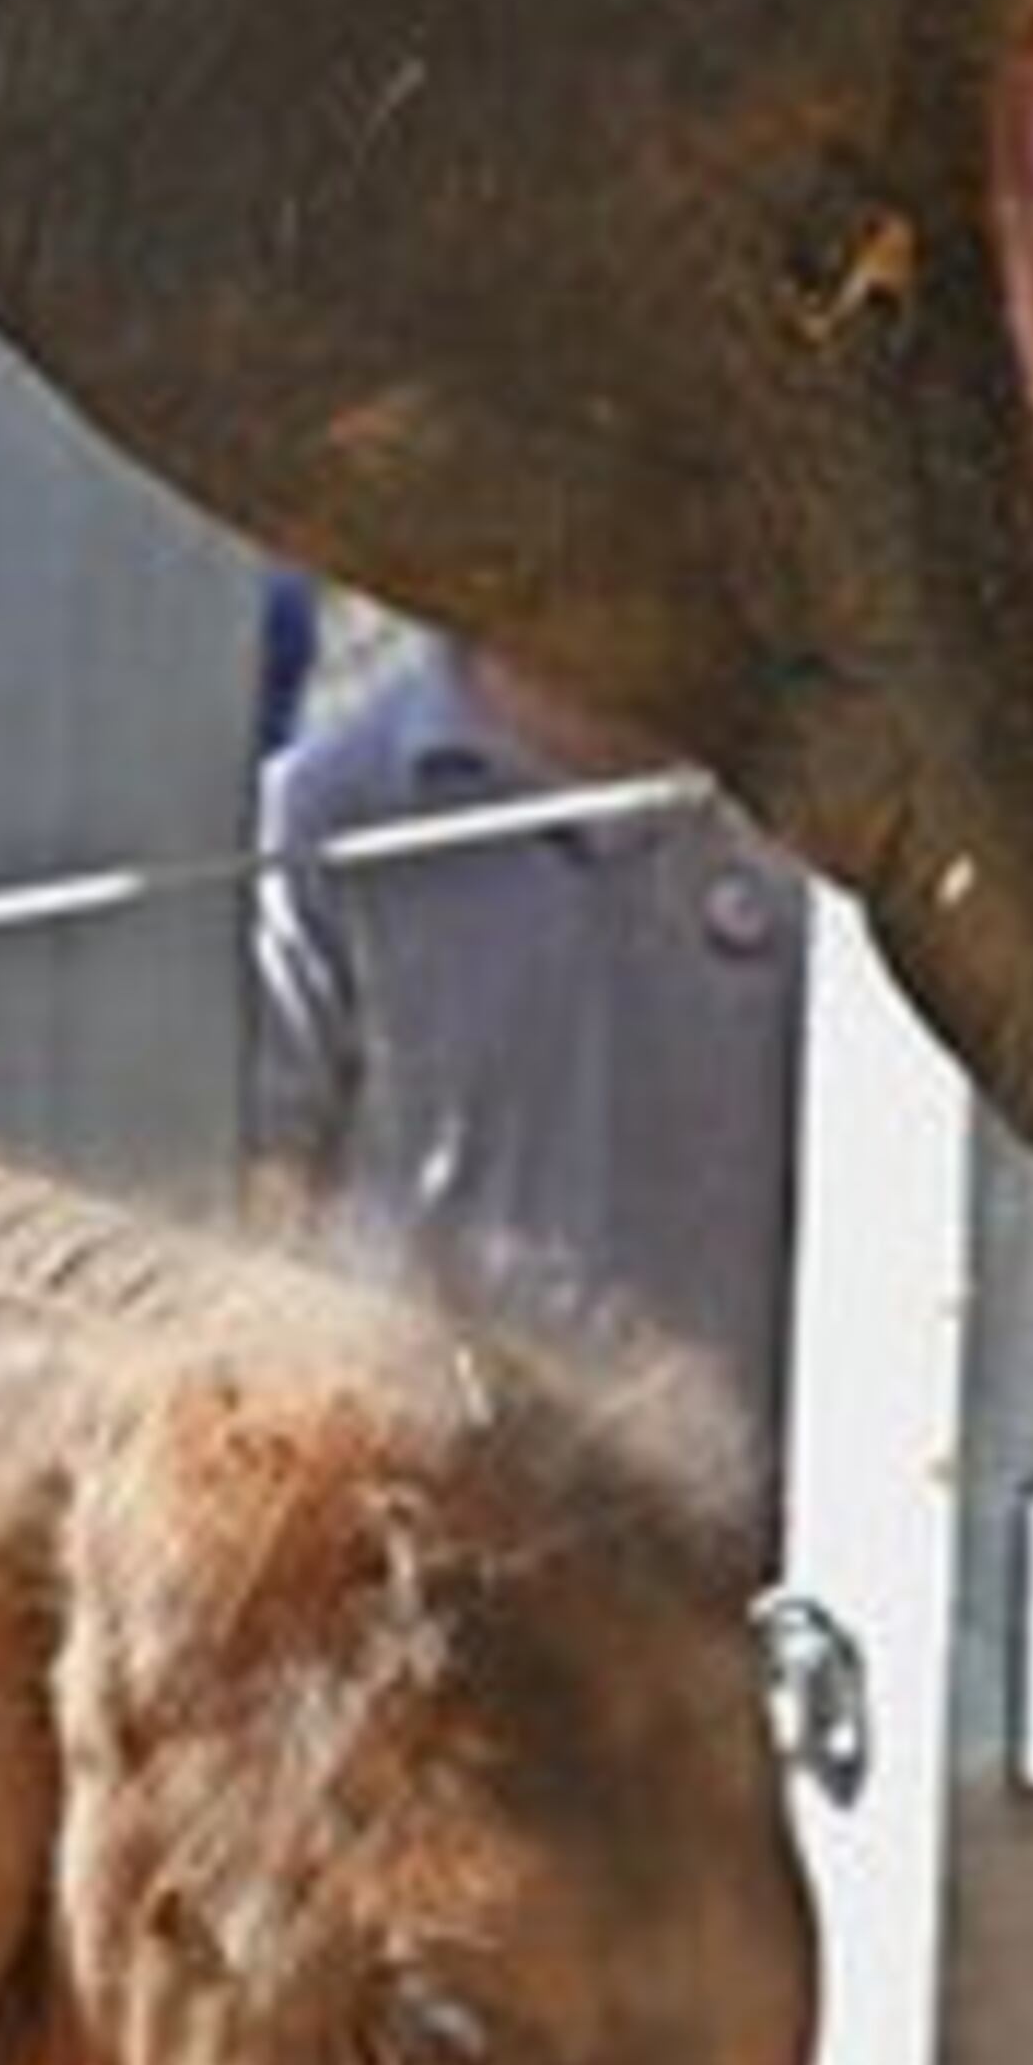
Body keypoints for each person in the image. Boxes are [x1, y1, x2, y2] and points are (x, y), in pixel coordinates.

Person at [245, 619, 809, 1504]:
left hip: (769, 1551)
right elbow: (258, 1189)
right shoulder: (329, 814)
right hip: (452, 1534)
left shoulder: (809, 813)